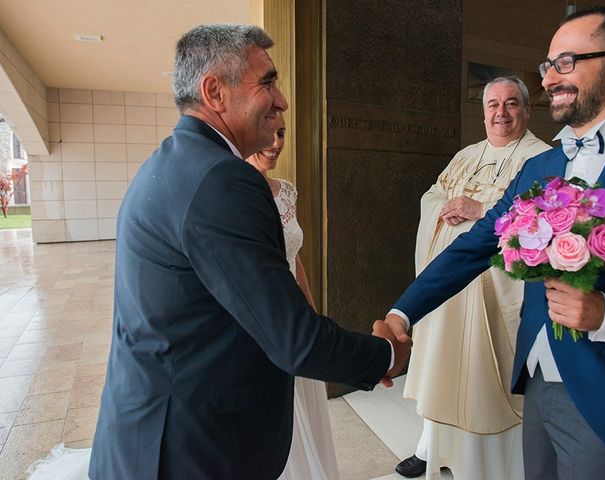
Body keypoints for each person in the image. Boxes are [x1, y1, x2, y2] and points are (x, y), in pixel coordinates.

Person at [83, 24, 409, 480]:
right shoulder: (223, 180)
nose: (282, 101)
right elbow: (296, 341)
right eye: (268, 82)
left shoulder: (168, 164)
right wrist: (387, 356)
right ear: (215, 91)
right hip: (189, 451)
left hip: (150, 437)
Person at [383, 6, 605, 480]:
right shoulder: (540, 168)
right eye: (547, 67)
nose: (550, 80)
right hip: (537, 380)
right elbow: (477, 245)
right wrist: (401, 314)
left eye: (566, 63)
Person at [395, 77, 550, 479]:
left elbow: (538, 222)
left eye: (512, 104)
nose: (501, 113)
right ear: (483, 113)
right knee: (442, 367)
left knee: (483, 377)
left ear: (527, 110)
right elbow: (431, 196)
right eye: (493, 105)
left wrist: (481, 208)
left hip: (495, 294)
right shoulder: (466, 155)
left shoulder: (542, 158)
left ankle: (491, 465)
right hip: (450, 294)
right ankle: (431, 447)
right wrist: (446, 207)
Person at [245, 115, 340, 479]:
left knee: (304, 400)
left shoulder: (287, 191)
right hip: (264, 318)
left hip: (296, 316)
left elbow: (293, 256)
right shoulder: (233, 191)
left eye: (281, 133)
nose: (275, 142)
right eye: (267, 133)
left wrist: (313, 313)